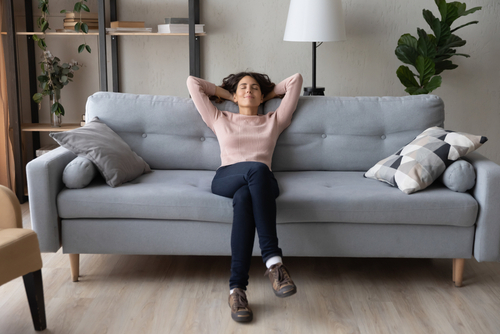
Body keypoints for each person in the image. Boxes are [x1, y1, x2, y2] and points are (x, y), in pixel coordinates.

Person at [186, 71, 303, 323]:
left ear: (262, 97)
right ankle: (274, 263)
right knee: (256, 168)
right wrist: (227, 95)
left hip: (261, 184)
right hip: (228, 176)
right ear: (235, 96)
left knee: (245, 197)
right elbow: (192, 83)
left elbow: (296, 80)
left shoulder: (274, 119)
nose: (248, 90)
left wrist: (267, 94)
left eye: (254, 88)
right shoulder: (220, 117)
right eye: (243, 88)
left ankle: (236, 290)